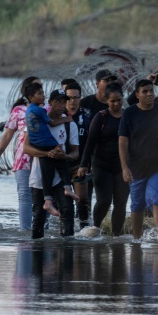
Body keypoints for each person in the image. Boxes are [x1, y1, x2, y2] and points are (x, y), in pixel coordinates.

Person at [119, 79, 158, 240]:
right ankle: (136, 239)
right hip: (136, 166)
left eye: (151, 91)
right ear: (137, 95)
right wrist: (124, 168)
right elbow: (123, 141)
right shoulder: (130, 113)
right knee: (137, 204)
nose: (149, 94)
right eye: (145, 91)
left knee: (157, 198)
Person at [0, 76, 41, 230]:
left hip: (42, 157)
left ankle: (41, 229)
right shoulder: (18, 110)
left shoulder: (47, 109)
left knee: (42, 195)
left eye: (41, 87)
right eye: (37, 86)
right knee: (25, 195)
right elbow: (7, 135)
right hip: (22, 159)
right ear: (28, 91)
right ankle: (25, 231)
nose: (41, 90)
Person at [78, 82, 129, 236]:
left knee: (120, 202)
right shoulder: (101, 117)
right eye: (112, 101)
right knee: (104, 201)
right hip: (102, 165)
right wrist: (83, 165)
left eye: (119, 100)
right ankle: (96, 228)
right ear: (106, 101)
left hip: (123, 166)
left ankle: (116, 235)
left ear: (123, 98)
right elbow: (90, 142)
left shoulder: (128, 116)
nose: (116, 103)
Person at [24, 98, 79, 238]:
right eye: (59, 102)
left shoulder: (69, 124)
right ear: (50, 103)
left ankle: (68, 247)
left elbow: (75, 152)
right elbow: (26, 148)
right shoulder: (37, 119)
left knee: (67, 211)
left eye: (63, 102)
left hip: (60, 175)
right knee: (38, 216)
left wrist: (64, 156)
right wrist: (47, 154)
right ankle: (36, 249)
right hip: (39, 174)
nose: (62, 105)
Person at [64, 82, 93, 228]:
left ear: (80, 98)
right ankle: (64, 229)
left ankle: (84, 228)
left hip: (79, 164)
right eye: (69, 98)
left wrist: (88, 163)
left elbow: (92, 140)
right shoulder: (58, 115)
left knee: (82, 199)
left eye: (76, 97)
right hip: (61, 164)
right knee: (62, 200)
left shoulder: (87, 115)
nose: (72, 101)